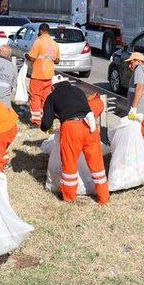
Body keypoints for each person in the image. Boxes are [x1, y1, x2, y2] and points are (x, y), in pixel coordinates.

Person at [41, 75, 109, 205]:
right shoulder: (78, 90)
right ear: (67, 83)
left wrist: (53, 119)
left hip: (71, 128)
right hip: (90, 126)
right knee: (97, 165)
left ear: (52, 87)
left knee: (70, 164)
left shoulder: (52, 96)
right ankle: (104, 197)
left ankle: (69, 198)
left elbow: (45, 124)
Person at [25, 23, 59, 126]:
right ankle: (45, 118)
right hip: (49, 76)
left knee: (35, 96)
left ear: (40, 31)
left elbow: (32, 58)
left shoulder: (38, 42)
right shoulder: (54, 43)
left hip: (38, 75)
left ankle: (36, 120)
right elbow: (57, 60)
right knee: (46, 98)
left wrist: (26, 55)